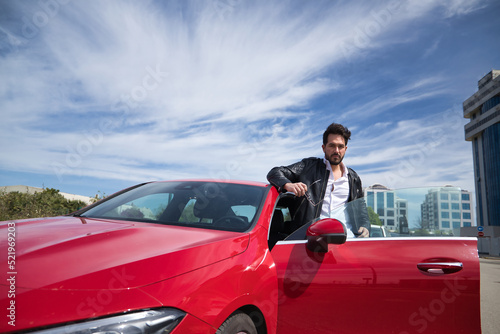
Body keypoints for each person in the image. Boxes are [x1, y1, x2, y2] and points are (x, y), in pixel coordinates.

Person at [267, 122, 369, 238]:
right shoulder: (308, 166)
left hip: (347, 240)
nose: (336, 150)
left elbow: (361, 210)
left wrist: (365, 226)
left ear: (345, 149)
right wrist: (288, 184)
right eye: (332, 145)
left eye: (340, 146)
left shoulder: (353, 178)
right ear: (324, 147)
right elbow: (275, 172)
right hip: (311, 241)